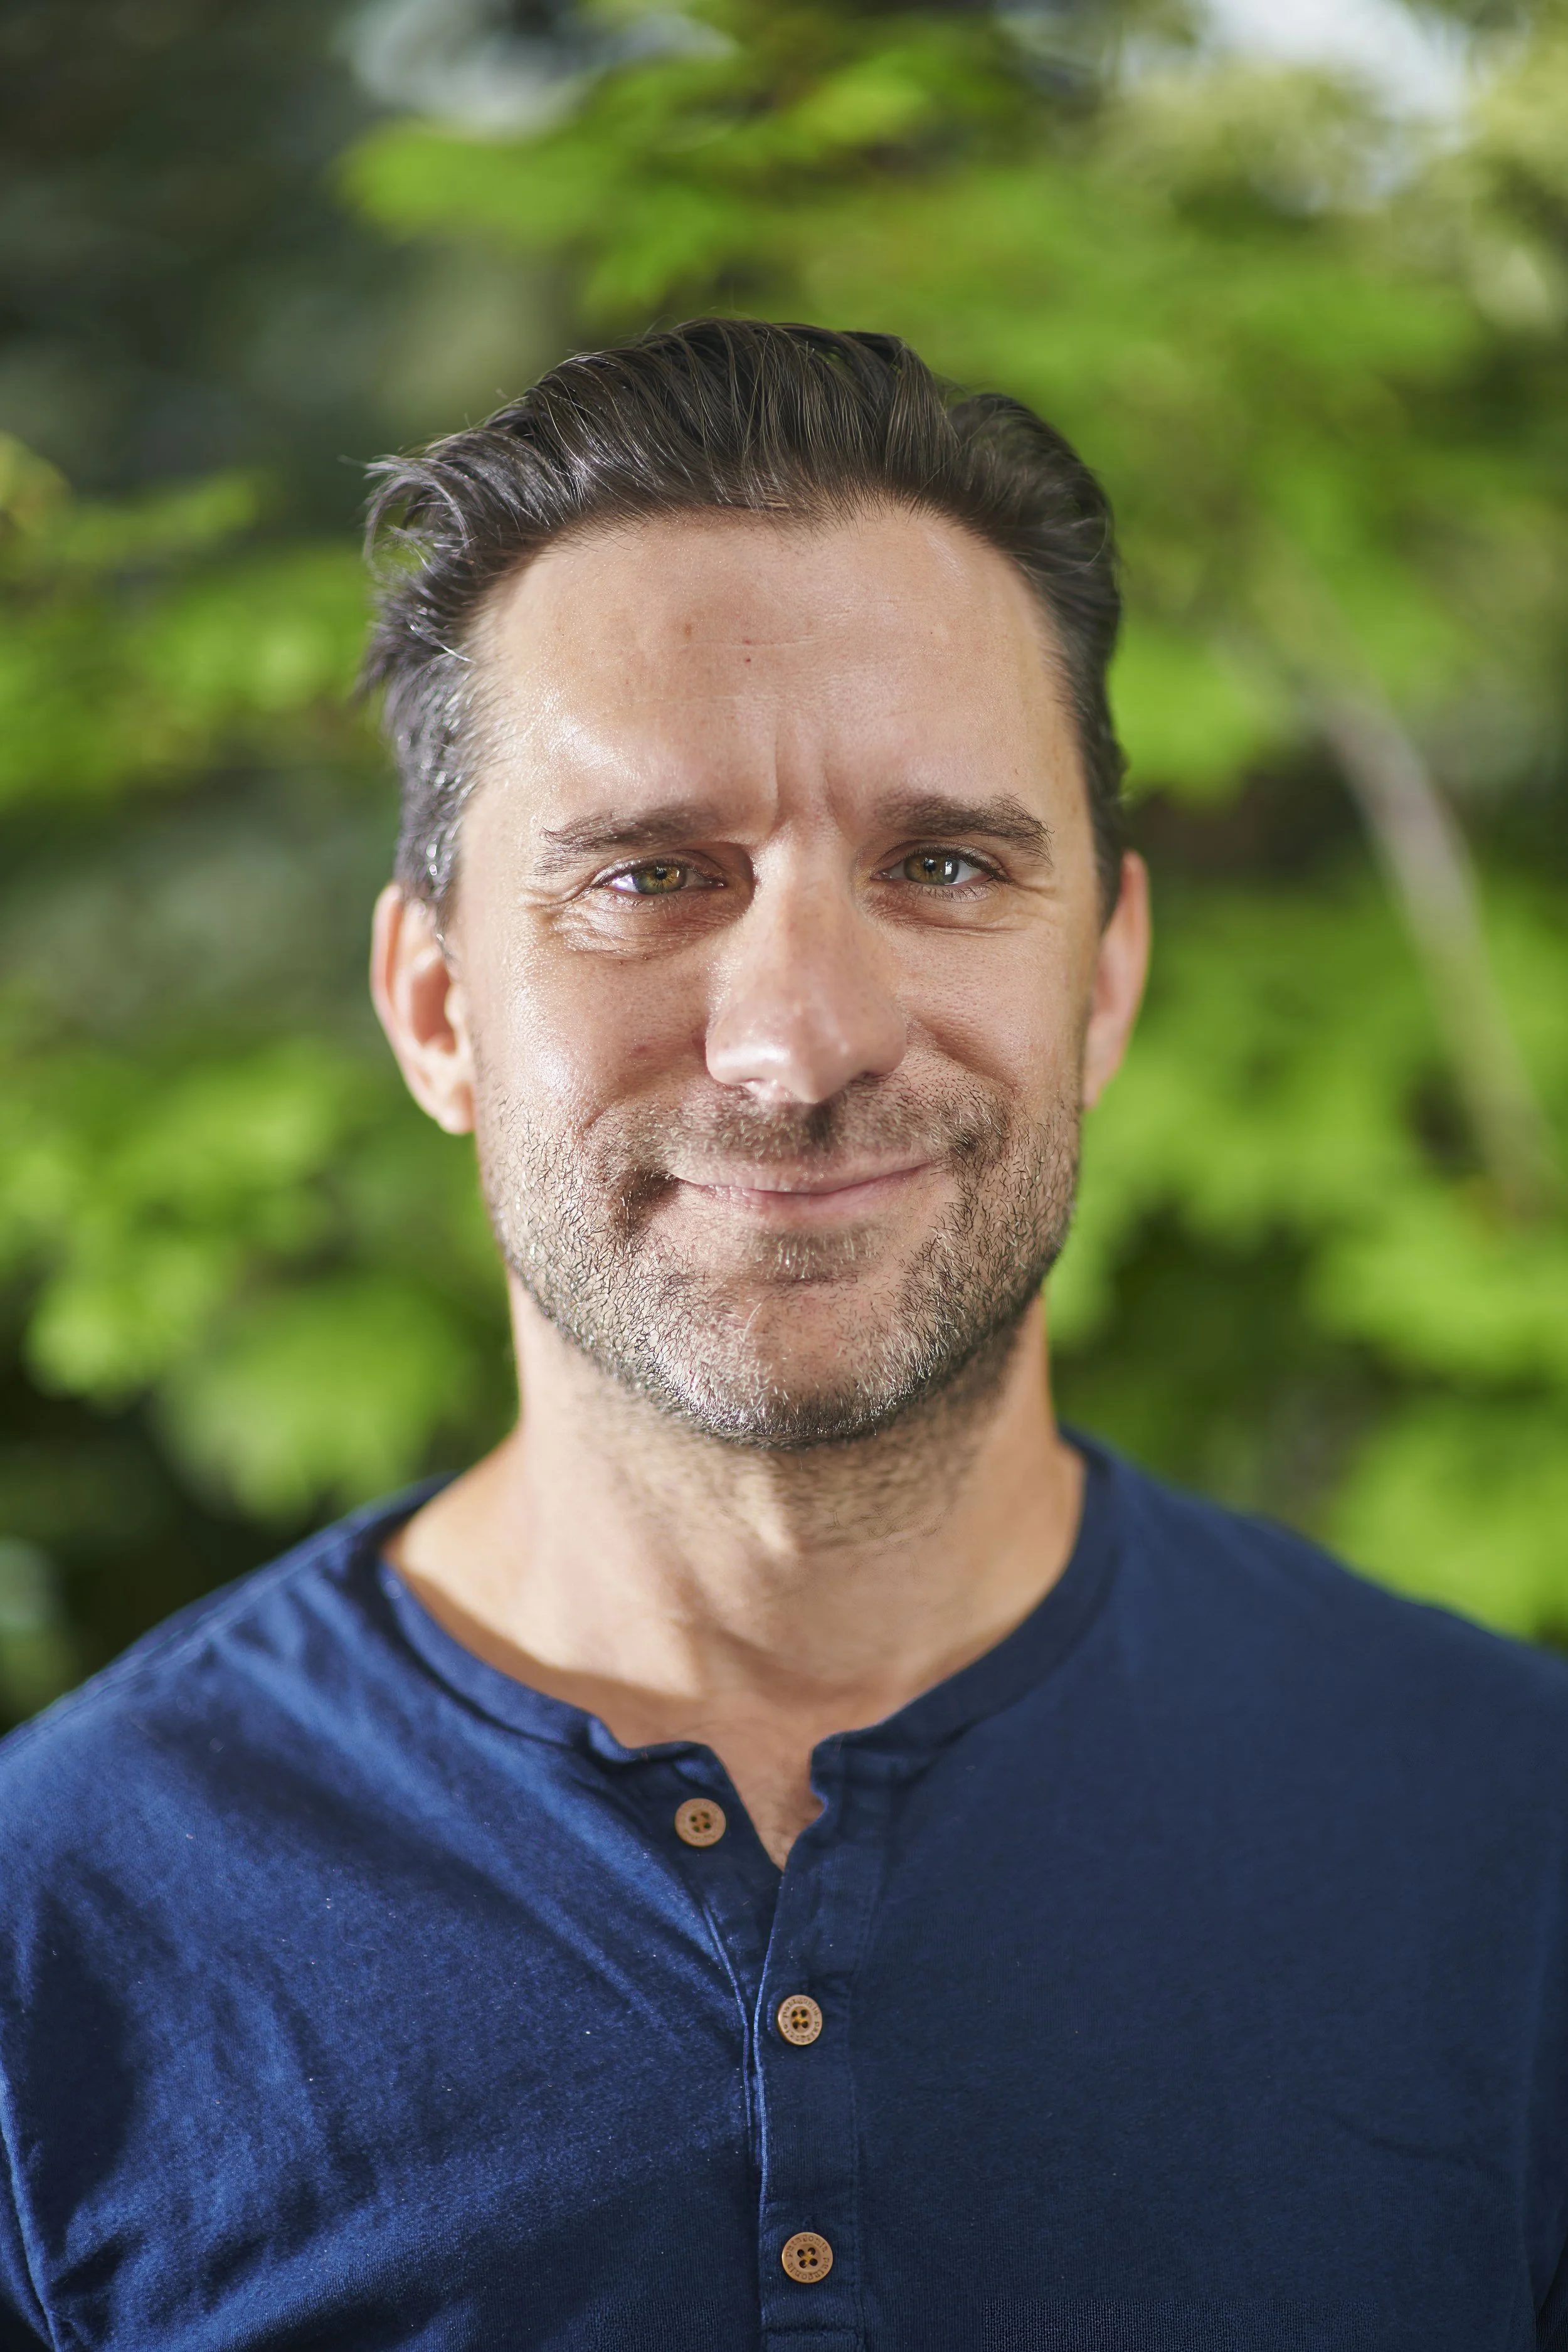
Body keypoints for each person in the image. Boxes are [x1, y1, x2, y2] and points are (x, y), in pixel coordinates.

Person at [1, 319, 1565, 2352]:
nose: (801, 1038)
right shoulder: (61, 1926)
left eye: (942, 865)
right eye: (650, 876)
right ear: (435, 1007)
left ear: (1103, 974)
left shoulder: (1507, 1844)